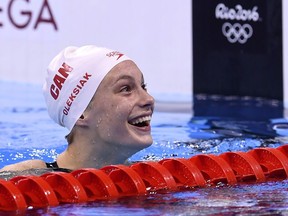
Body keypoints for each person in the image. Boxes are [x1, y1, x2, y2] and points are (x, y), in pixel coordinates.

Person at [0, 45, 154, 172]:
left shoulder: (156, 172)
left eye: (143, 86)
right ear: (80, 113)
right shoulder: (28, 178)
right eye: (126, 88)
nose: (149, 99)